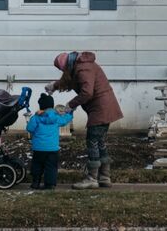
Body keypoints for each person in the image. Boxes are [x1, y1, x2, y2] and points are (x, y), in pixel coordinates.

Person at [49, 51, 123, 189]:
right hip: (105, 108)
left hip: (100, 110)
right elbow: (71, 81)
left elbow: (87, 92)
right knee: (100, 142)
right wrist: (54, 85)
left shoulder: (83, 68)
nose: (63, 72)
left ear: (67, 65)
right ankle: (104, 177)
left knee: (92, 142)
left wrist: (70, 105)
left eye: (63, 69)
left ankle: (92, 179)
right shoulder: (81, 65)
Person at [25, 93, 74, 190]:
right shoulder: (56, 117)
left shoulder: (36, 117)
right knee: (51, 167)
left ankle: (35, 182)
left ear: (41, 106)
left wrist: (34, 118)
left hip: (38, 148)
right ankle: (49, 184)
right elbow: (65, 120)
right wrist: (70, 113)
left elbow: (29, 128)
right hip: (52, 148)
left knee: (37, 165)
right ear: (52, 105)